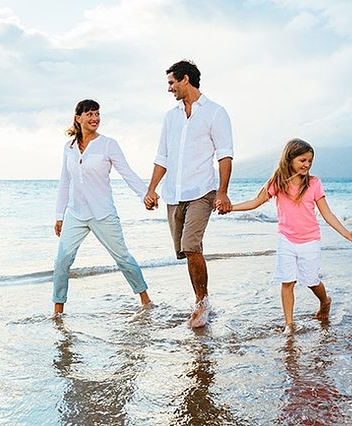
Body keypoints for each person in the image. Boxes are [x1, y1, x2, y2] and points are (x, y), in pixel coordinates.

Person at [230, 138, 352, 332]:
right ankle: (289, 324)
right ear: (289, 159)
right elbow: (255, 202)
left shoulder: (314, 183)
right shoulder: (278, 183)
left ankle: (325, 301)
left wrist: (348, 234)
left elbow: (327, 214)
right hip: (286, 239)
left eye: (310, 161)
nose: (307, 164)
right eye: (303, 160)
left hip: (310, 240)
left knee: (311, 281)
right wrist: (230, 208)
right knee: (287, 281)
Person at [143, 60, 233, 328]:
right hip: (173, 194)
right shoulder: (170, 117)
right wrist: (151, 189)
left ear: (185, 79)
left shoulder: (216, 112)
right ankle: (200, 297)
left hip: (202, 191)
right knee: (185, 251)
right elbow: (163, 156)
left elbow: (225, 154)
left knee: (191, 245)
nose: (169, 88)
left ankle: (202, 303)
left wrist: (223, 193)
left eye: (171, 82)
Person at [52, 99, 152, 315]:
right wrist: (60, 215)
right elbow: (64, 181)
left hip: (102, 213)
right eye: (89, 114)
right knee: (61, 261)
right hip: (76, 214)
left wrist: (145, 194)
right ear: (78, 118)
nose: (95, 118)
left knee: (123, 258)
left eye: (97, 114)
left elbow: (126, 171)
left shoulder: (108, 144)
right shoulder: (68, 147)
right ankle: (58, 311)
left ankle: (145, 300)